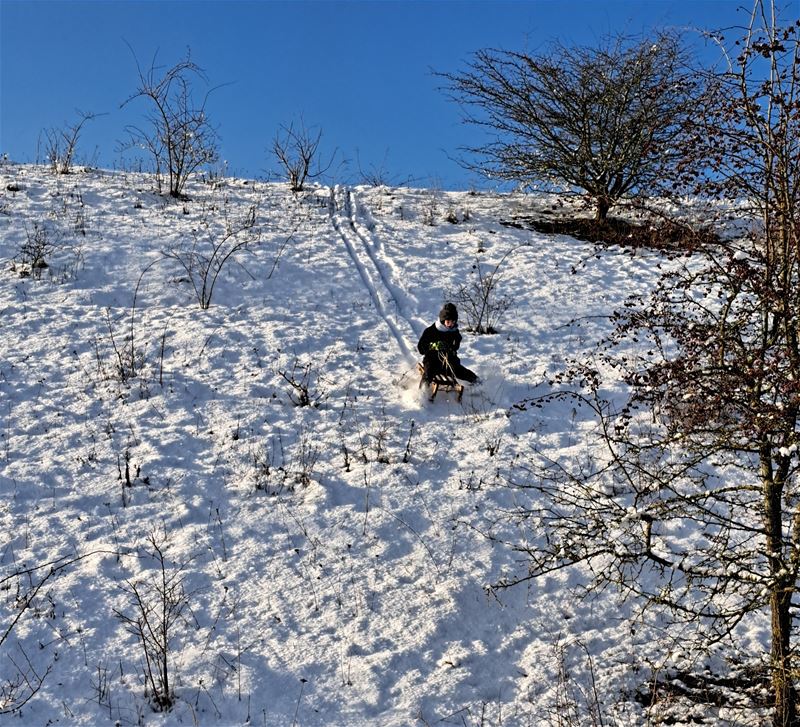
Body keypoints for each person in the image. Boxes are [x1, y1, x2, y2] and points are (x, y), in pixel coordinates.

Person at [417, 302, 478, 384]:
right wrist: (435, 346)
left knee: (461, 371)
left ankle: (480, 385)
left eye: (453, 322)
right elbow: (421, 348)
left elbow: (456, 345)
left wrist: (451, 348)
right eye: (448, 322)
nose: (450, 325)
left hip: (448, 362)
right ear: (443, 320)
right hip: (432, 361)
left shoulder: (454, 331)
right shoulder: (431, 331)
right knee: (428, 374)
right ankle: (422, 394)